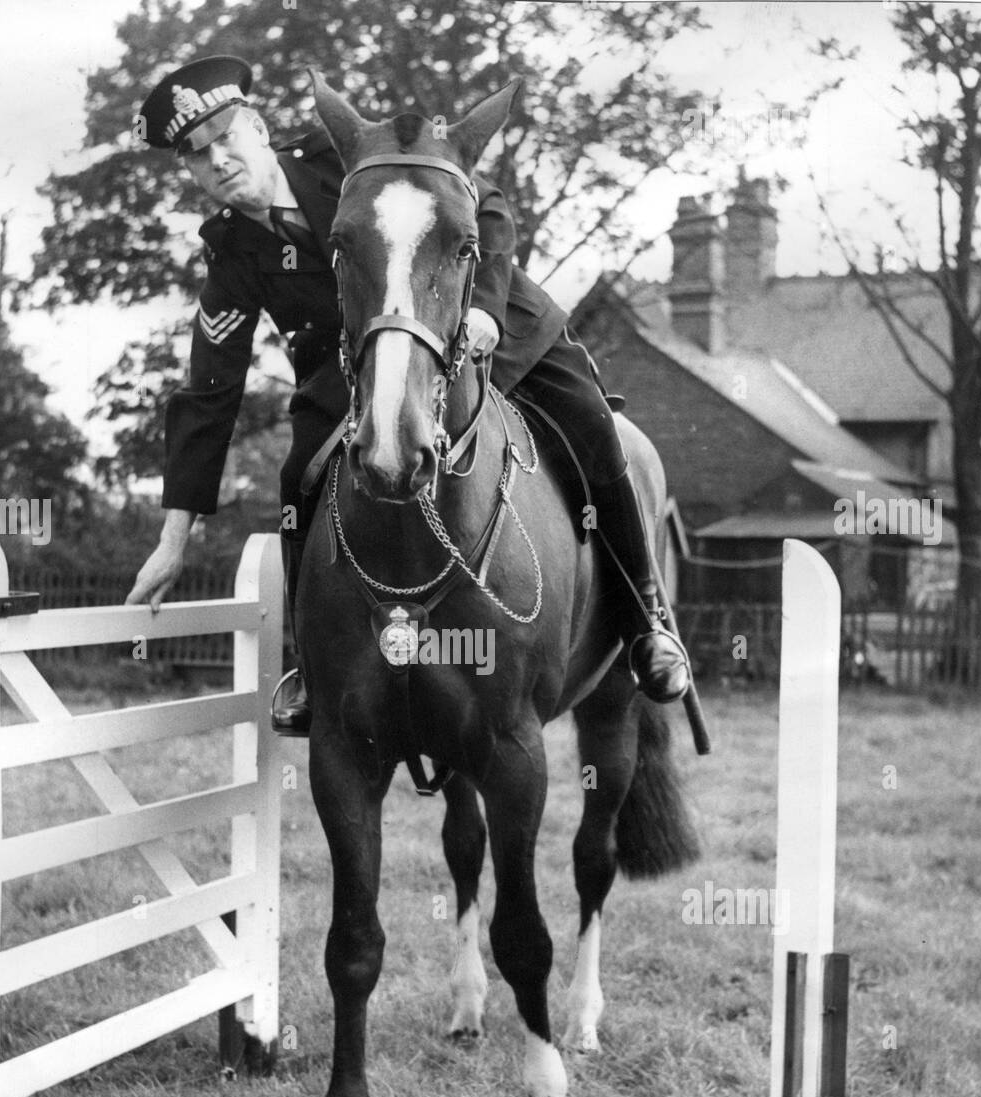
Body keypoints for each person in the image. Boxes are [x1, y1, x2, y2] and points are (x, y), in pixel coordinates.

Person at [128, 56, 691, 734]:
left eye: (227, 139)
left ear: (257, 126)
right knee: (295, 479)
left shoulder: (348, 161)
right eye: (198, 156)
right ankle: (312, 667)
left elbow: (485, 206)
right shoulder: (231, 256)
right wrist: (174, 535)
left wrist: (482, 308)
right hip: (354, 374)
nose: (218, 162)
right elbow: (208, 391)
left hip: (488, 322)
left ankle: (645, 623)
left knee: (593, 428)